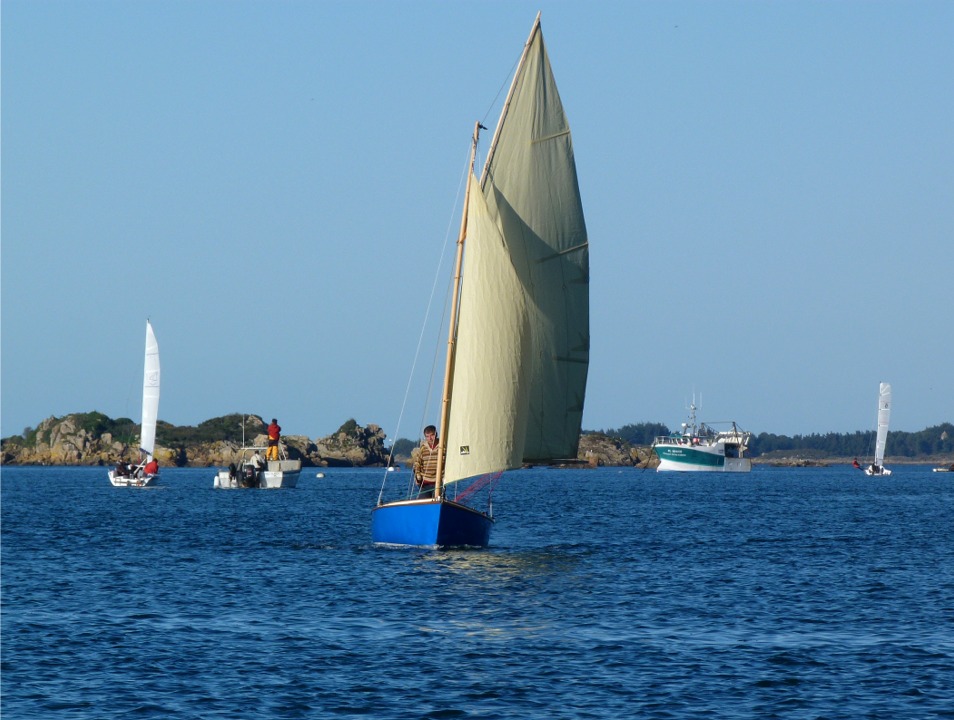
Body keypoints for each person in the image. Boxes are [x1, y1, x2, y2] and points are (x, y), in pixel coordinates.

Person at [413, 425, 441, 498]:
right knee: (422, 502)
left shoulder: (442, 446)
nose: (430, 438)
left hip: (438, 482)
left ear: (436, 434)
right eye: (427, 436)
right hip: (425, 483)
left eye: (432, 435)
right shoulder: (423, 448)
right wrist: (417, 476)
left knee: (437, 500)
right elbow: (417, 463)